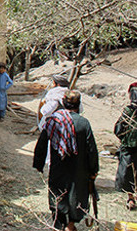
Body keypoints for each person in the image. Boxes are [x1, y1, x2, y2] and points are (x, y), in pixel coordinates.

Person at [33, 90, 98, 231]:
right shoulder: (84, 123)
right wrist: (93, 170)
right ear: (78, 105)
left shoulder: (53, 121)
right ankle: (70, 225)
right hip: (79, 169)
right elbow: (91, 149)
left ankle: (60, 224)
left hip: (58, 167)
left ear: (63, 103)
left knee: (58, 196)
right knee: (75, 197)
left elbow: (42, 143)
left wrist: (38, 164)